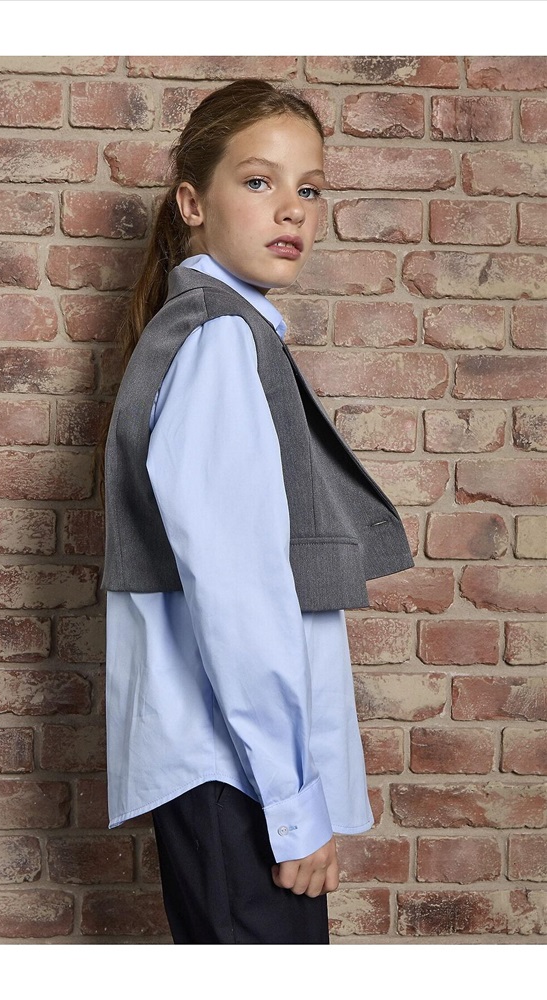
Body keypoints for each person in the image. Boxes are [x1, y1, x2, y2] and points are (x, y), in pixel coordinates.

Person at [98, 79, 414, 945]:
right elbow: (238, 598)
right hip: (236, 778)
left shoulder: (218, 332)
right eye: (258, 180)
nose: (292, 210)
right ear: (191, 203)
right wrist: (291, 802)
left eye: (308, 187)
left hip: (224, 773)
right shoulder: (220, 343)